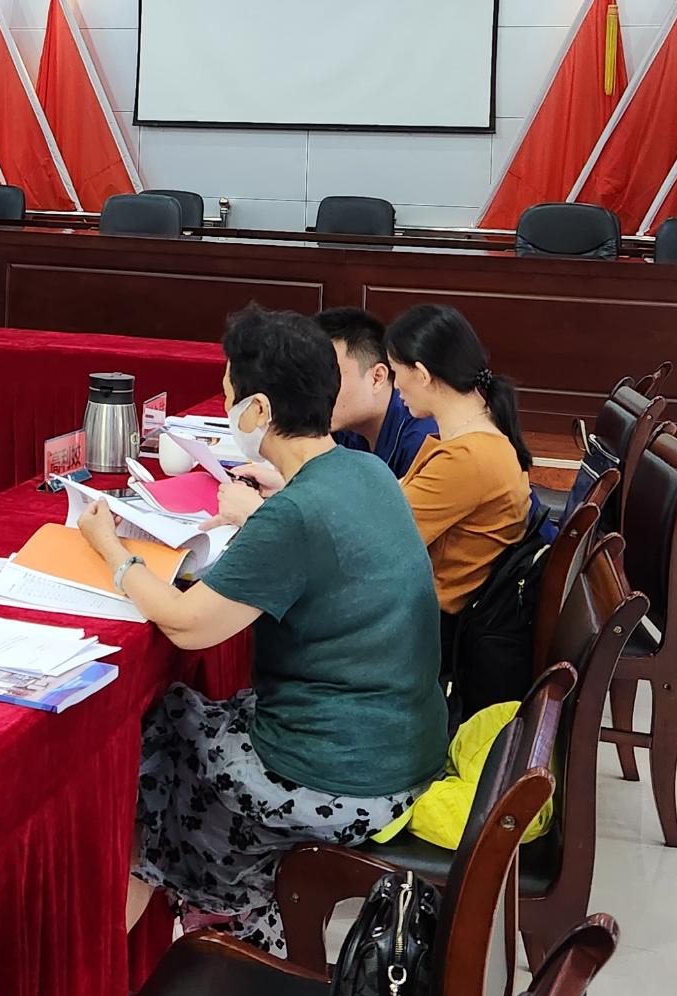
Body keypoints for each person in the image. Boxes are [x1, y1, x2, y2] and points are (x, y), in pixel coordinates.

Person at [78, 304, 443, 950]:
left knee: (159, 737)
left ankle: (216, 925)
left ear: (258, 412)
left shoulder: (294, 515)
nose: (227, 410)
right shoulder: (365, 471)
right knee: (188, 716)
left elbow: (187, 626)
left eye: (229, 397)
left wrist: (111, 549)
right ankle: (206, 914)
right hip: (401, 745)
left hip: (341, 775)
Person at [380, 302, 535, 614]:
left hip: (429, 622)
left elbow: (380, 538)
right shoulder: (477, 438)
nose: (395, 387)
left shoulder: (468, 458)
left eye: (395, 373)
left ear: (422, 374)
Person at [316, 304, 437, 475]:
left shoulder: (421, 439)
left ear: (377, 378)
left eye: (329, 377)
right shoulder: (342, 426)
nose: (315, 391)